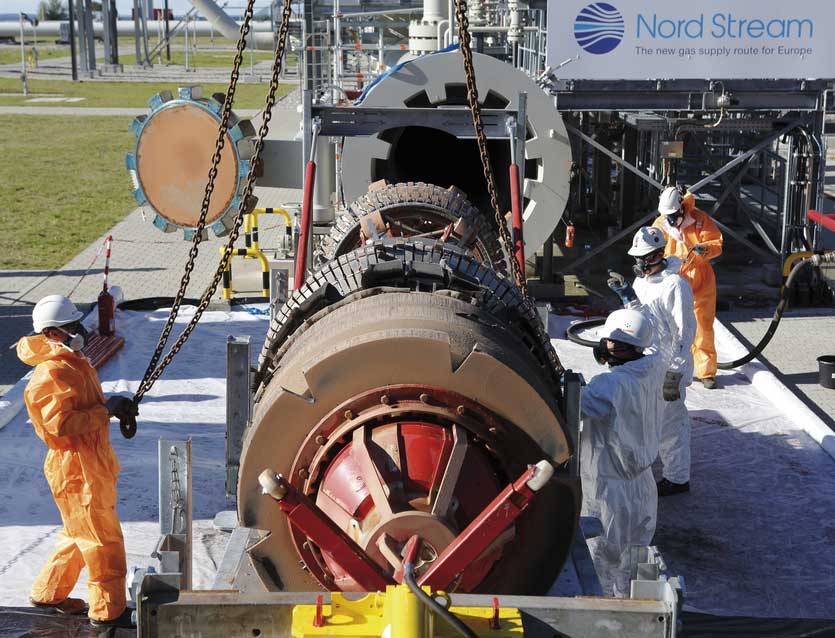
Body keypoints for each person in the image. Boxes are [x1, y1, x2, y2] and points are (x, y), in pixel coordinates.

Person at [17, 294, 136, 627]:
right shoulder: (51, 374)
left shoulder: (72, 361)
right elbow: (62, 426)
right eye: (71, 326)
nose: (79, 330)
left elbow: (85, 408)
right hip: (77, 470)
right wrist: (106, 410)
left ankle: (48, 593)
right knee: (102, 540)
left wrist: (111, 405)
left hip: (88, 464)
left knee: (76, 533)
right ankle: (108, 611)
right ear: (53, 333)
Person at [580, 309, 666, 597]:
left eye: (609, 342)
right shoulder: (653, 369)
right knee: (637, 559)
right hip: (643, 486)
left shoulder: (610, 385)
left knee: (600, 559)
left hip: (609, 489)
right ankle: (641, 615)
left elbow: (573, 404)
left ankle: (605, 621)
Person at [608, 227, 697, 496]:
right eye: (637, 257)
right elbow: (645, 321)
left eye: (645, 256)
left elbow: (685, 332)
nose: (640, 263)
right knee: (647, 419)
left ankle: (677, 479)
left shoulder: (675, 285)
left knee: (671, 425)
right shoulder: (642, 282)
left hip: (669, 363)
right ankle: (652, 468)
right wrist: (629, 299)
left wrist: (675, 372)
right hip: (649, 361)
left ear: (659, 254)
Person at [652, 186, 723, 389]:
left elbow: (716, 242)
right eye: (668, 216)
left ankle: (705, 371)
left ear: (682, 208)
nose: (671, 219)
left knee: (703, 326)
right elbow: (653, 244)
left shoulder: (700, 220)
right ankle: (668, 368)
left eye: (674, 215)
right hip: (672, 282)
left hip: (701, 282)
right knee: (669, 326)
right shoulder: (661, 224)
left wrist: (705, 249)